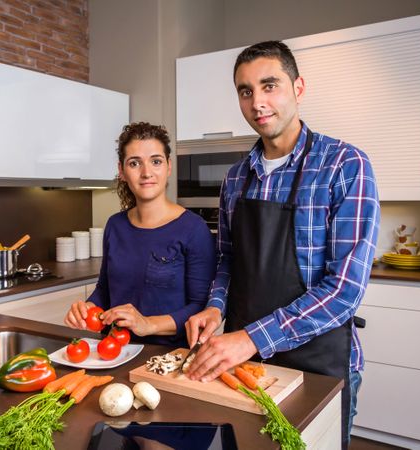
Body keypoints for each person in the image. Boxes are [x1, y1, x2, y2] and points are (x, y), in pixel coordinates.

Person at [184, 41, 379, 449]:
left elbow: (345, 291)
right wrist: (214, 307)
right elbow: (228, 259)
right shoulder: (235, 178)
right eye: (245, 90)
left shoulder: (345, 165)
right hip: (244, 364)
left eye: (269, 85)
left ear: (298, 87)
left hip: (318, 366)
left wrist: (251, 337)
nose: (258, 102)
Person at [64, 122, 216, 347]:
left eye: (156, 161)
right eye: (135, 163)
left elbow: (200, 307)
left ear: (169, 167)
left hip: (170, 357)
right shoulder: (115, 225)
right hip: (115, 350)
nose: (146, 173)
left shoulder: (194, 229)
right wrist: (87, 308)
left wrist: (148, 324)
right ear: (122, 171)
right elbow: (105, 290)